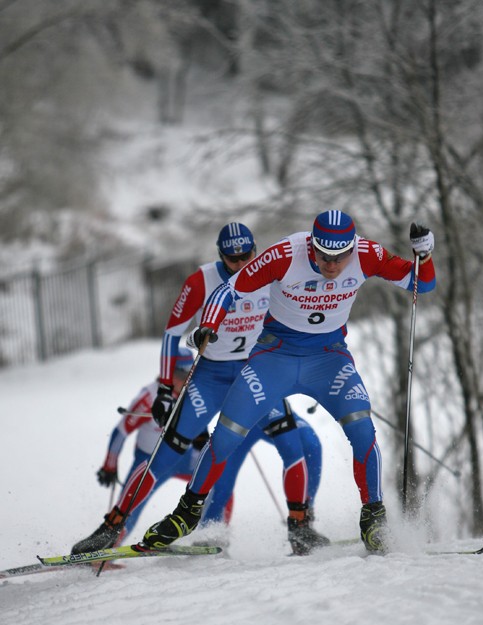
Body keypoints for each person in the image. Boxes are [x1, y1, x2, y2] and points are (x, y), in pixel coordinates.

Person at [140, 210, 436, 555]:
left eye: (340, 257)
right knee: (226, 435)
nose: (333, 265)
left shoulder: (367, 254)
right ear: (312, 246)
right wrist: (208, 324)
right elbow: (227, 290)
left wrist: (425, 255)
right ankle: (188, 513)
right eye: (324, 256)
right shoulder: (285, 255)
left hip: (328, 358)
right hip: (274, 357)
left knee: (362, 429)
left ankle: (373, 518)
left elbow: (421, 283)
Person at [72, 222, 325, 555]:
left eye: (246, 256)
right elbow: (171, 334)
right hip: (211, 377)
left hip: (255, 375)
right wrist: (165, 389)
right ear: (221, 255)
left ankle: (300, 528)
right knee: (163, 454)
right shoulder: (201, 281)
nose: (240, 264)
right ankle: (111, 526)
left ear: (255, 250)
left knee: (294, 442)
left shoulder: (270, 273)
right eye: (232, 259)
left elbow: (300, 316)